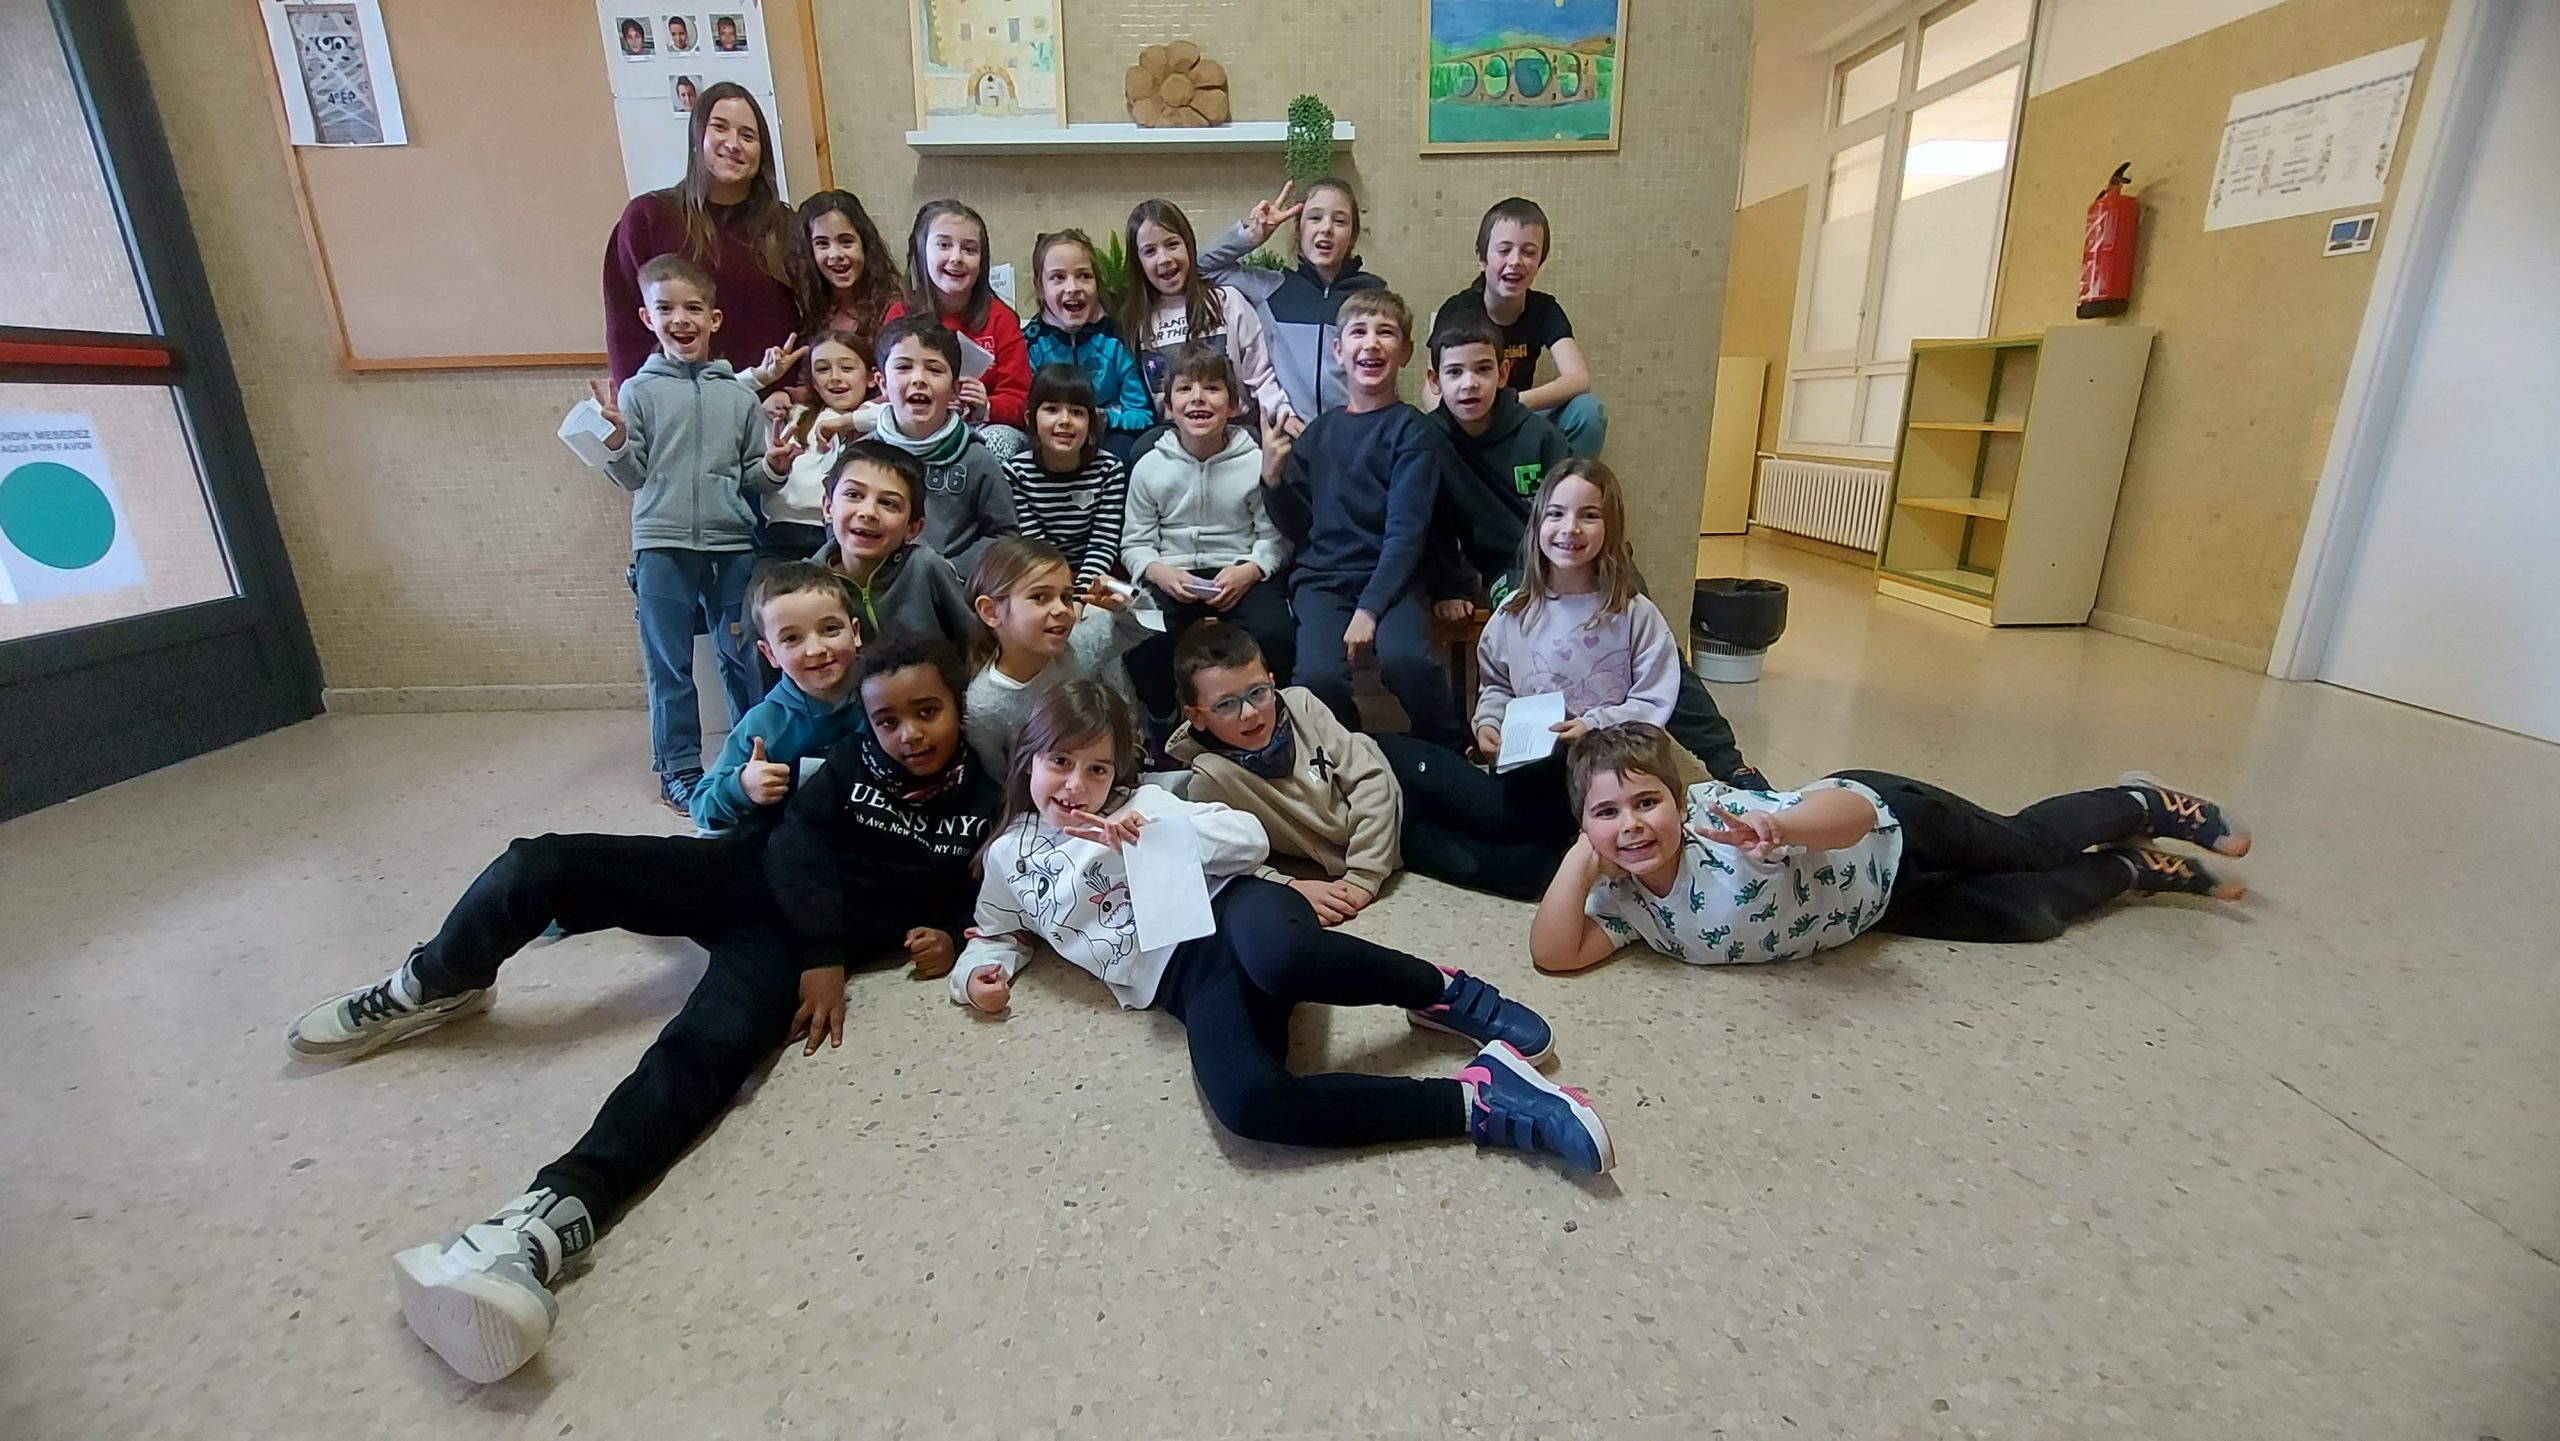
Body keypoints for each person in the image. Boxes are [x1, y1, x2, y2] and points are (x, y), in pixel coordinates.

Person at [284, 635, 1002, 1383]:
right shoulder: (851, 762)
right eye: (888, 719)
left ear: (958, 708)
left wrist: (946, 936)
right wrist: (827, 954)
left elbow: (973, 892)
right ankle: (436, 979)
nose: (908, 734)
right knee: (543, 862)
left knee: (703, 1053)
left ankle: (539, 1226)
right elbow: (795, 845)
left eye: (927, 712)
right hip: (743, 881)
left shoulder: (984, 801)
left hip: (781, 951)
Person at [952, 681, 1613, 1173]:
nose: (1077, 785)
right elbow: (994, 933)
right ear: (1027, 759)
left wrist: (1158, 833)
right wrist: (978, 975)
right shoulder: (1008, 858)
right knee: (1249, 1106)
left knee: (1284, 956)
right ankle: (1482, 1101)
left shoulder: (1146, 802)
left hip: (1236, 908)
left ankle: (1440, 991)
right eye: (1059, 762)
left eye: (1096, 768)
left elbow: (1250, 841)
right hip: (1185, 983)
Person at [1533, 723, 2252, 974]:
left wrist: (1785, 829)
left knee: (2028, 847)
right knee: (2029, 916)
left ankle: (2143, 801)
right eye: (1607, 814)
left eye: (1647, 802)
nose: (1632, 824)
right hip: (1877, 904)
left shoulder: (1721, 821)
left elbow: (1849, 815)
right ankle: (2133, 867)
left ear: (1678, 800)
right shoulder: (1626, 904)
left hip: (1896, 822)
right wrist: (1579, 862)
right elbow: (1554, 954)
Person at [1424, 311, 1766, 788]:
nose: (1469, 384)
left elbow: (1584, 504)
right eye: (1456, 372)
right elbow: (1426, 521)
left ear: (1503, 373)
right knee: (1528, 624)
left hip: (1585, 554)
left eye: (1483, 369)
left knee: (1640, 621)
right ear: (1435, 380)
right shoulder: (1428, 440)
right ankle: (1537, 760)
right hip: (1511, 567)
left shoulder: (1536, 435)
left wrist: (1601, 553)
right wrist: (1450, 583)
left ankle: (1727, 761)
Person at [1169, 620, 1562, 916]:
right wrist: (1289, 886)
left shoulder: (1300, 704)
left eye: (1258, 693)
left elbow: (1370, 780)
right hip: (1395, 834)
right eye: (1226, 705)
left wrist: (1362, 876)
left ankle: (1570, 768)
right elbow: (1226, 862)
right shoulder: (1209, 781)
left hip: (1399, 769)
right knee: (1527, 875)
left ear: (1272, 682)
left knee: (1505, 815)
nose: (1250, 713)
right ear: (1196, 716)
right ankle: (1577, 845)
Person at [586, 254, 792, 813]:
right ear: (647, 318)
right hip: (661, 543)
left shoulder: (739, 396)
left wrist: (774, 465)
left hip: (731, 545)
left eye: (693, 308)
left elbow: (752, 476)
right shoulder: (637, 392)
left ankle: (753, 757)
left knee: (744, 656)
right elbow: (633, 475)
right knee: (669, 665)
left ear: (713, 319)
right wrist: (615, 443)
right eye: (666, 308)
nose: (681, 319)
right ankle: (678, 768)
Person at [1260, 289, 1465, 749]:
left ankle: (1451, 749)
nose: (1371, 343)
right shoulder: (1319, 433)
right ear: (1338, 351)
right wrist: (1272, 479)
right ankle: (1354, 752)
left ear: (1405, 352)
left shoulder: (1412, 431)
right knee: (1316, 680)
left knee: (1406, 661)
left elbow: (1407, 531)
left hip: (1391, 579)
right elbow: (1298, 527)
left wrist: (1369, 609)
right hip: (1322, 582)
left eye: (1385, 333)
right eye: (1358, 332)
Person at [1468, 458, 1681, 847]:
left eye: (1589, 515)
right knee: (1508, 822)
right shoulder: (1514, 613)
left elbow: (1654, 698)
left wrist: (1593, 724)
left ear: (1610, 526)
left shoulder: (1634, 614)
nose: (1570, 528)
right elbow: (1496, 684)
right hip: (1535, 765)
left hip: (1610, 766)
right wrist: (1489, 723)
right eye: (1556, 514)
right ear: (1538, 524)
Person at [1120, 345, 1294, 733]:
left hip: (1239, 572)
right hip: (1173, 574)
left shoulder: (1256, 462)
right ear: (1169, 407)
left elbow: (1275, 538)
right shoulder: (1149, 466)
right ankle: (1163, 719)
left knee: (1276, 633)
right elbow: (1134, 543)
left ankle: (1272, 716)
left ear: (1233, 405)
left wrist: (1251, 570)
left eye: (1212, 388)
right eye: (1185, 388)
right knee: (1140, 636)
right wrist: (1159, 572)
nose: (1198, 398)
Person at [602, 83, 797, 387]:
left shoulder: (785, 226)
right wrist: (640, 402)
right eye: (720, 127)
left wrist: (796, 392)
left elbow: (812, 320)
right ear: (696, 139)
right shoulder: (648, 218)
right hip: (677, 403)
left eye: (747, 135)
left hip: (772, 402)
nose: (733, 144)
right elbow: (624, 327)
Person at [689, 562, 865, 832]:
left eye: (830, 629)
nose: (816, 650)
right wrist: (742, 786)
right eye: (792, 638)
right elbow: (701, 806)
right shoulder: (764, 724)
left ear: (855, 633)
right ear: (769, 653)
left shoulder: (884, 698)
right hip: (790, 842)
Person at [1202, 177, 1387, 429]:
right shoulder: (1271, 288)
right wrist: (1252, 236)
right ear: (1298, 231)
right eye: (1315, 218)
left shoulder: (1372, 294)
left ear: (1353, 237)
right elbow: (1201, 268)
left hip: (1358, 433)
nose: (1326, 228)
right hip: (1292, 435)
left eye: (1340, 221)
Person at [960, 537, 1154, 773]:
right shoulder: (984, 707)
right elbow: (998, 775)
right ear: (991, 612)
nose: (1061, 609)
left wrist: (1124, 597)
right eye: (1040, 597)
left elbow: (1144, 627)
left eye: (1066, 597)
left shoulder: (1078, 647)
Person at [1431, 198, 1605, 457]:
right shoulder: (1457, 310)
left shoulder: (1545, 309)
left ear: (1540, 262)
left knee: (1588, 410)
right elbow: (1433, 387)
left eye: (1529, 252)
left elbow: (1578, 379)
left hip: (1522, 413)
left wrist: (1510, 406)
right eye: (1504, 250)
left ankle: (1571, 482)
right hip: (1469, 417)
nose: (1515, 261)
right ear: (1481, 258)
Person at [863, 314, 1016, 575]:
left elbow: (1004, 534)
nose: (918, 379)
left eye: (934, 370)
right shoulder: (862, 457)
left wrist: (949, 570)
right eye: (904, 367)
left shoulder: (975, 458)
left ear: (955, 389)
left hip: (950, 586)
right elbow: (838, 524)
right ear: (882, 383)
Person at [881, 199, 1031, 459]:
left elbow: (1022, 398)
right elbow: (887, 388)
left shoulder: (1000, 318)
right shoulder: (900, 316)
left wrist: (987, 406)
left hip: (982, 430)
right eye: (944, 245)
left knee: (994, 442)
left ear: (982, 261)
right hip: (916, 428)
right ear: (921, 252)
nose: (956, 258)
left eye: (969, 249)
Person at [1117, 198, 1287, 427]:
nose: (1164, 259)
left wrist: (1283, 415)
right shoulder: (1135, 321)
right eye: (1150, 251)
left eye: (1172, 244)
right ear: (1138, 263)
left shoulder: (1227, 301)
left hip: (1237, 429)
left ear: (1189, 246)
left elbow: (1261, 376)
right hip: (1171, 435)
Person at [811, 439, 978, 646]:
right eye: (853, 495)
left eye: (888, 503)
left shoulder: (925, 567)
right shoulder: (806, 585)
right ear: (828, 507)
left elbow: (976, 642)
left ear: (913, 528)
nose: (868, 512)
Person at [746, 190, 903, 410]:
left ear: (865, 246)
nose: (835, 254)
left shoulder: (895, 309)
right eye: (822, 244)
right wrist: (785, 395)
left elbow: (901, 387)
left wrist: (852, 419)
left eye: (846, 242)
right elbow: (815, 389)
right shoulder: (809, 309)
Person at [1020, 228, 1153, 461]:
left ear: (1097, 284)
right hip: (1052, 440)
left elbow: (1142, 414)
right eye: (1058, 277)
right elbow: (1025, 413)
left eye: (1084, 275)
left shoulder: (1117, 339)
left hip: (1107, 437)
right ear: (1040, 288)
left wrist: (1106, 418)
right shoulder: (1030, 344)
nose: (1073, 288)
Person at [1004, 364, 1128, 586]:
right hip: (1039, 571)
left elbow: (1103, 543)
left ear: (1091, 423)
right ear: (1030, 418)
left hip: (1096, 574)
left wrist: (1081, 592)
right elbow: (1035, 544)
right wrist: (1062, 593)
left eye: (1077, 412)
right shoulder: (1015, 473)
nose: (1065, 421)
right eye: (1052, 410)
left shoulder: (1109, 469)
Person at [753, 328, 870, 563]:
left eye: (847, 368)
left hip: (842, 537)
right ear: (813, 383)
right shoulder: (792, 416)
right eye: (823, 369)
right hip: (783, 533)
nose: (835, 377)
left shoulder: (876, 421)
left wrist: (848, 421)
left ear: (871, 376)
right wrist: (776, 467)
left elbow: (894, 414)